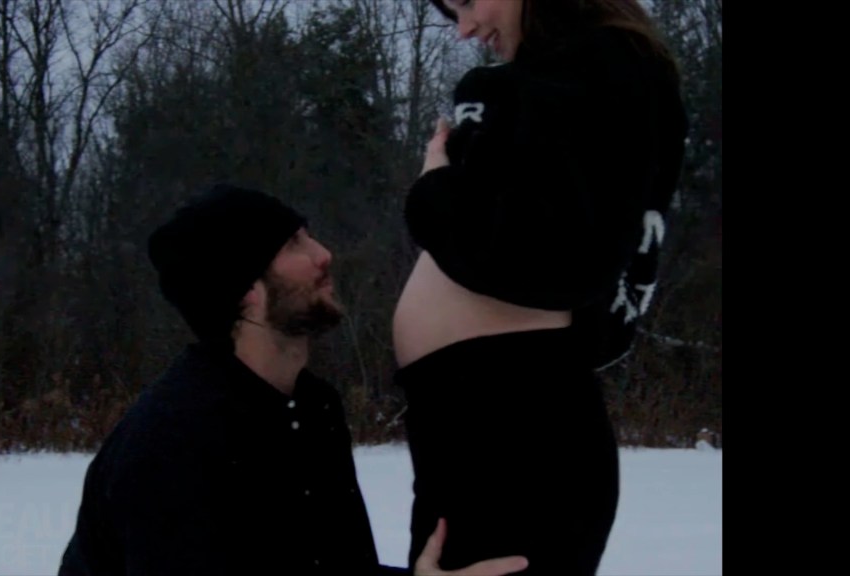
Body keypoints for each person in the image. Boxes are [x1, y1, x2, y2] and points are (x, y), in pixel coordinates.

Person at [58, 184, 529, 576]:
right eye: (292, 245)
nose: (323, 254)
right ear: (245, 290)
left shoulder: (312, 406)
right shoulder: (176, 440)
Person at [392, 1, 689, 574]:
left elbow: (561, 264)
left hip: (513, 436)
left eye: (469, 1)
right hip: (493, 426)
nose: (465, 28)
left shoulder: (600, 69)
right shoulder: (579, 74)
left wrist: (434, 190)